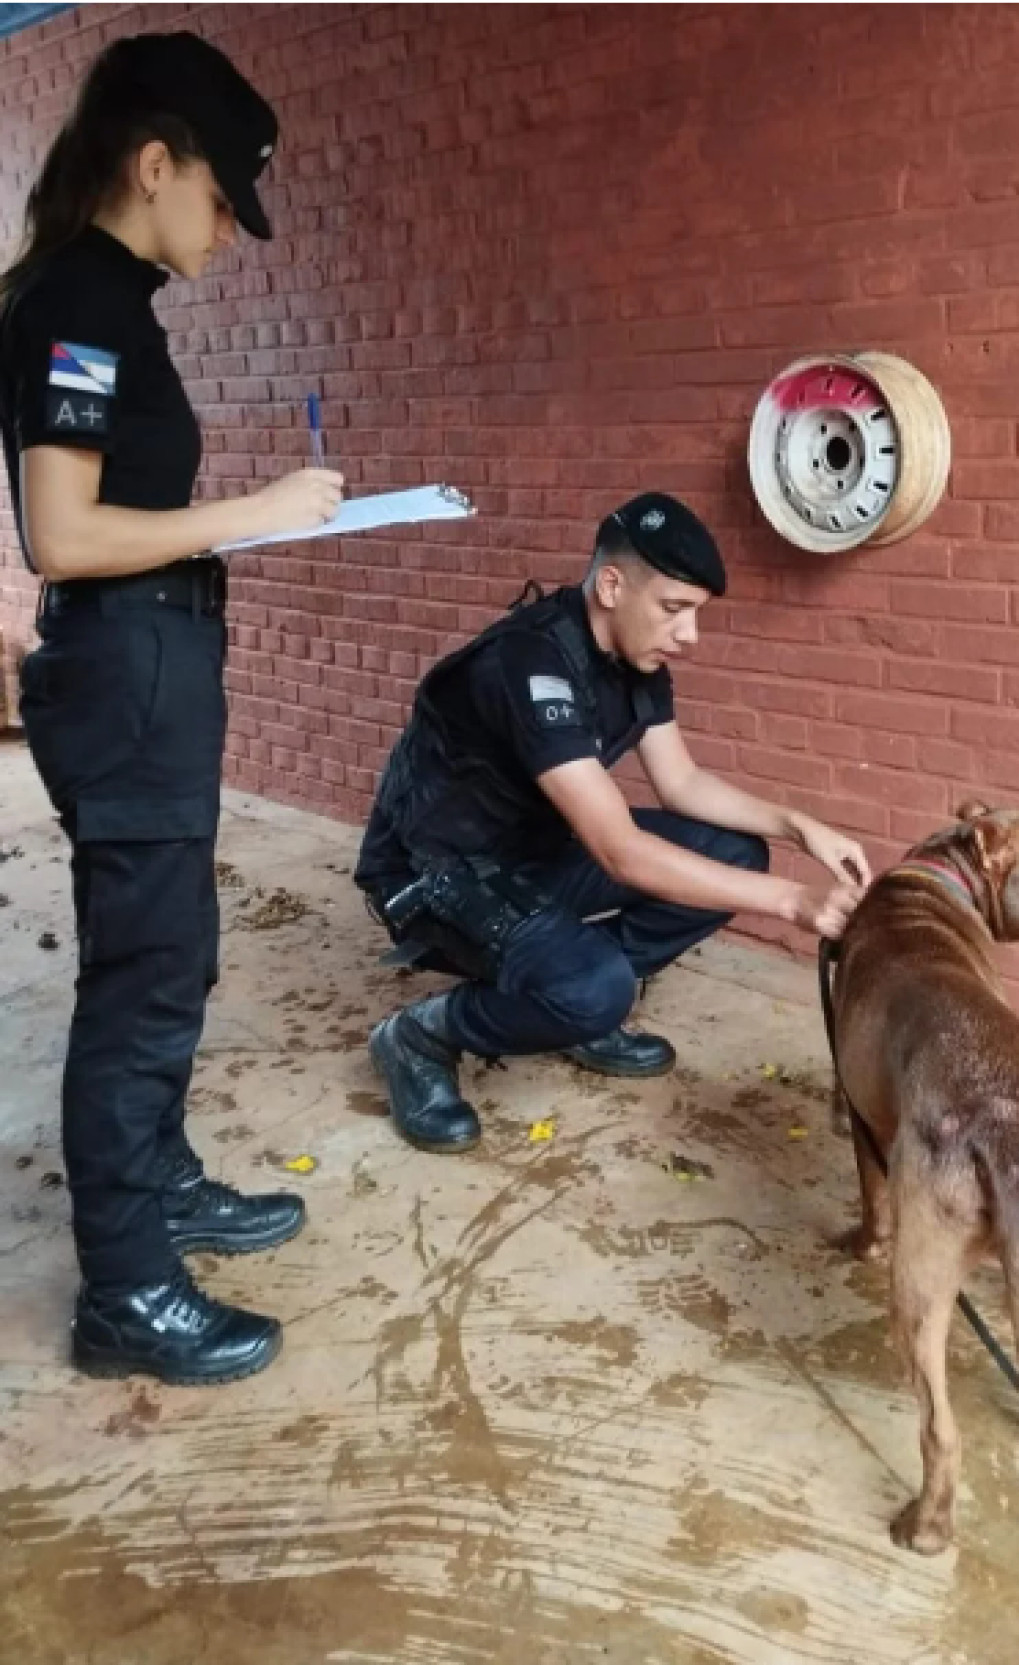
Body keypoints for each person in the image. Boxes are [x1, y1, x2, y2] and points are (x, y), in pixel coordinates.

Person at [0, 32, 345, 1385]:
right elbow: (63, 535)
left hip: (152, 666)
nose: (229, 233)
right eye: (219, 199)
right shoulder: (80, 300)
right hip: (126, 669)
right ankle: (128, 1292)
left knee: (171, 953)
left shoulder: (104, 298)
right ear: (155, 163)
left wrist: (223, 536)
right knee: (142, 983)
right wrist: (250, 515)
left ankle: (163, 1180)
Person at [356, 492, 870, 1151]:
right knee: (597, 984)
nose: (690, 634)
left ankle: (575, 1006)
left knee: (738, 854)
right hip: (437, 873)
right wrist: (793, 901)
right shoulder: (530, 662)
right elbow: (623, 851)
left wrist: (797, 825)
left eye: (696, 613)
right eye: (674, 609)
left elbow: (680, 781)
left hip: (530, 853)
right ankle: (422, 1035)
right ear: (611, 584)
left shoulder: (636, 660)